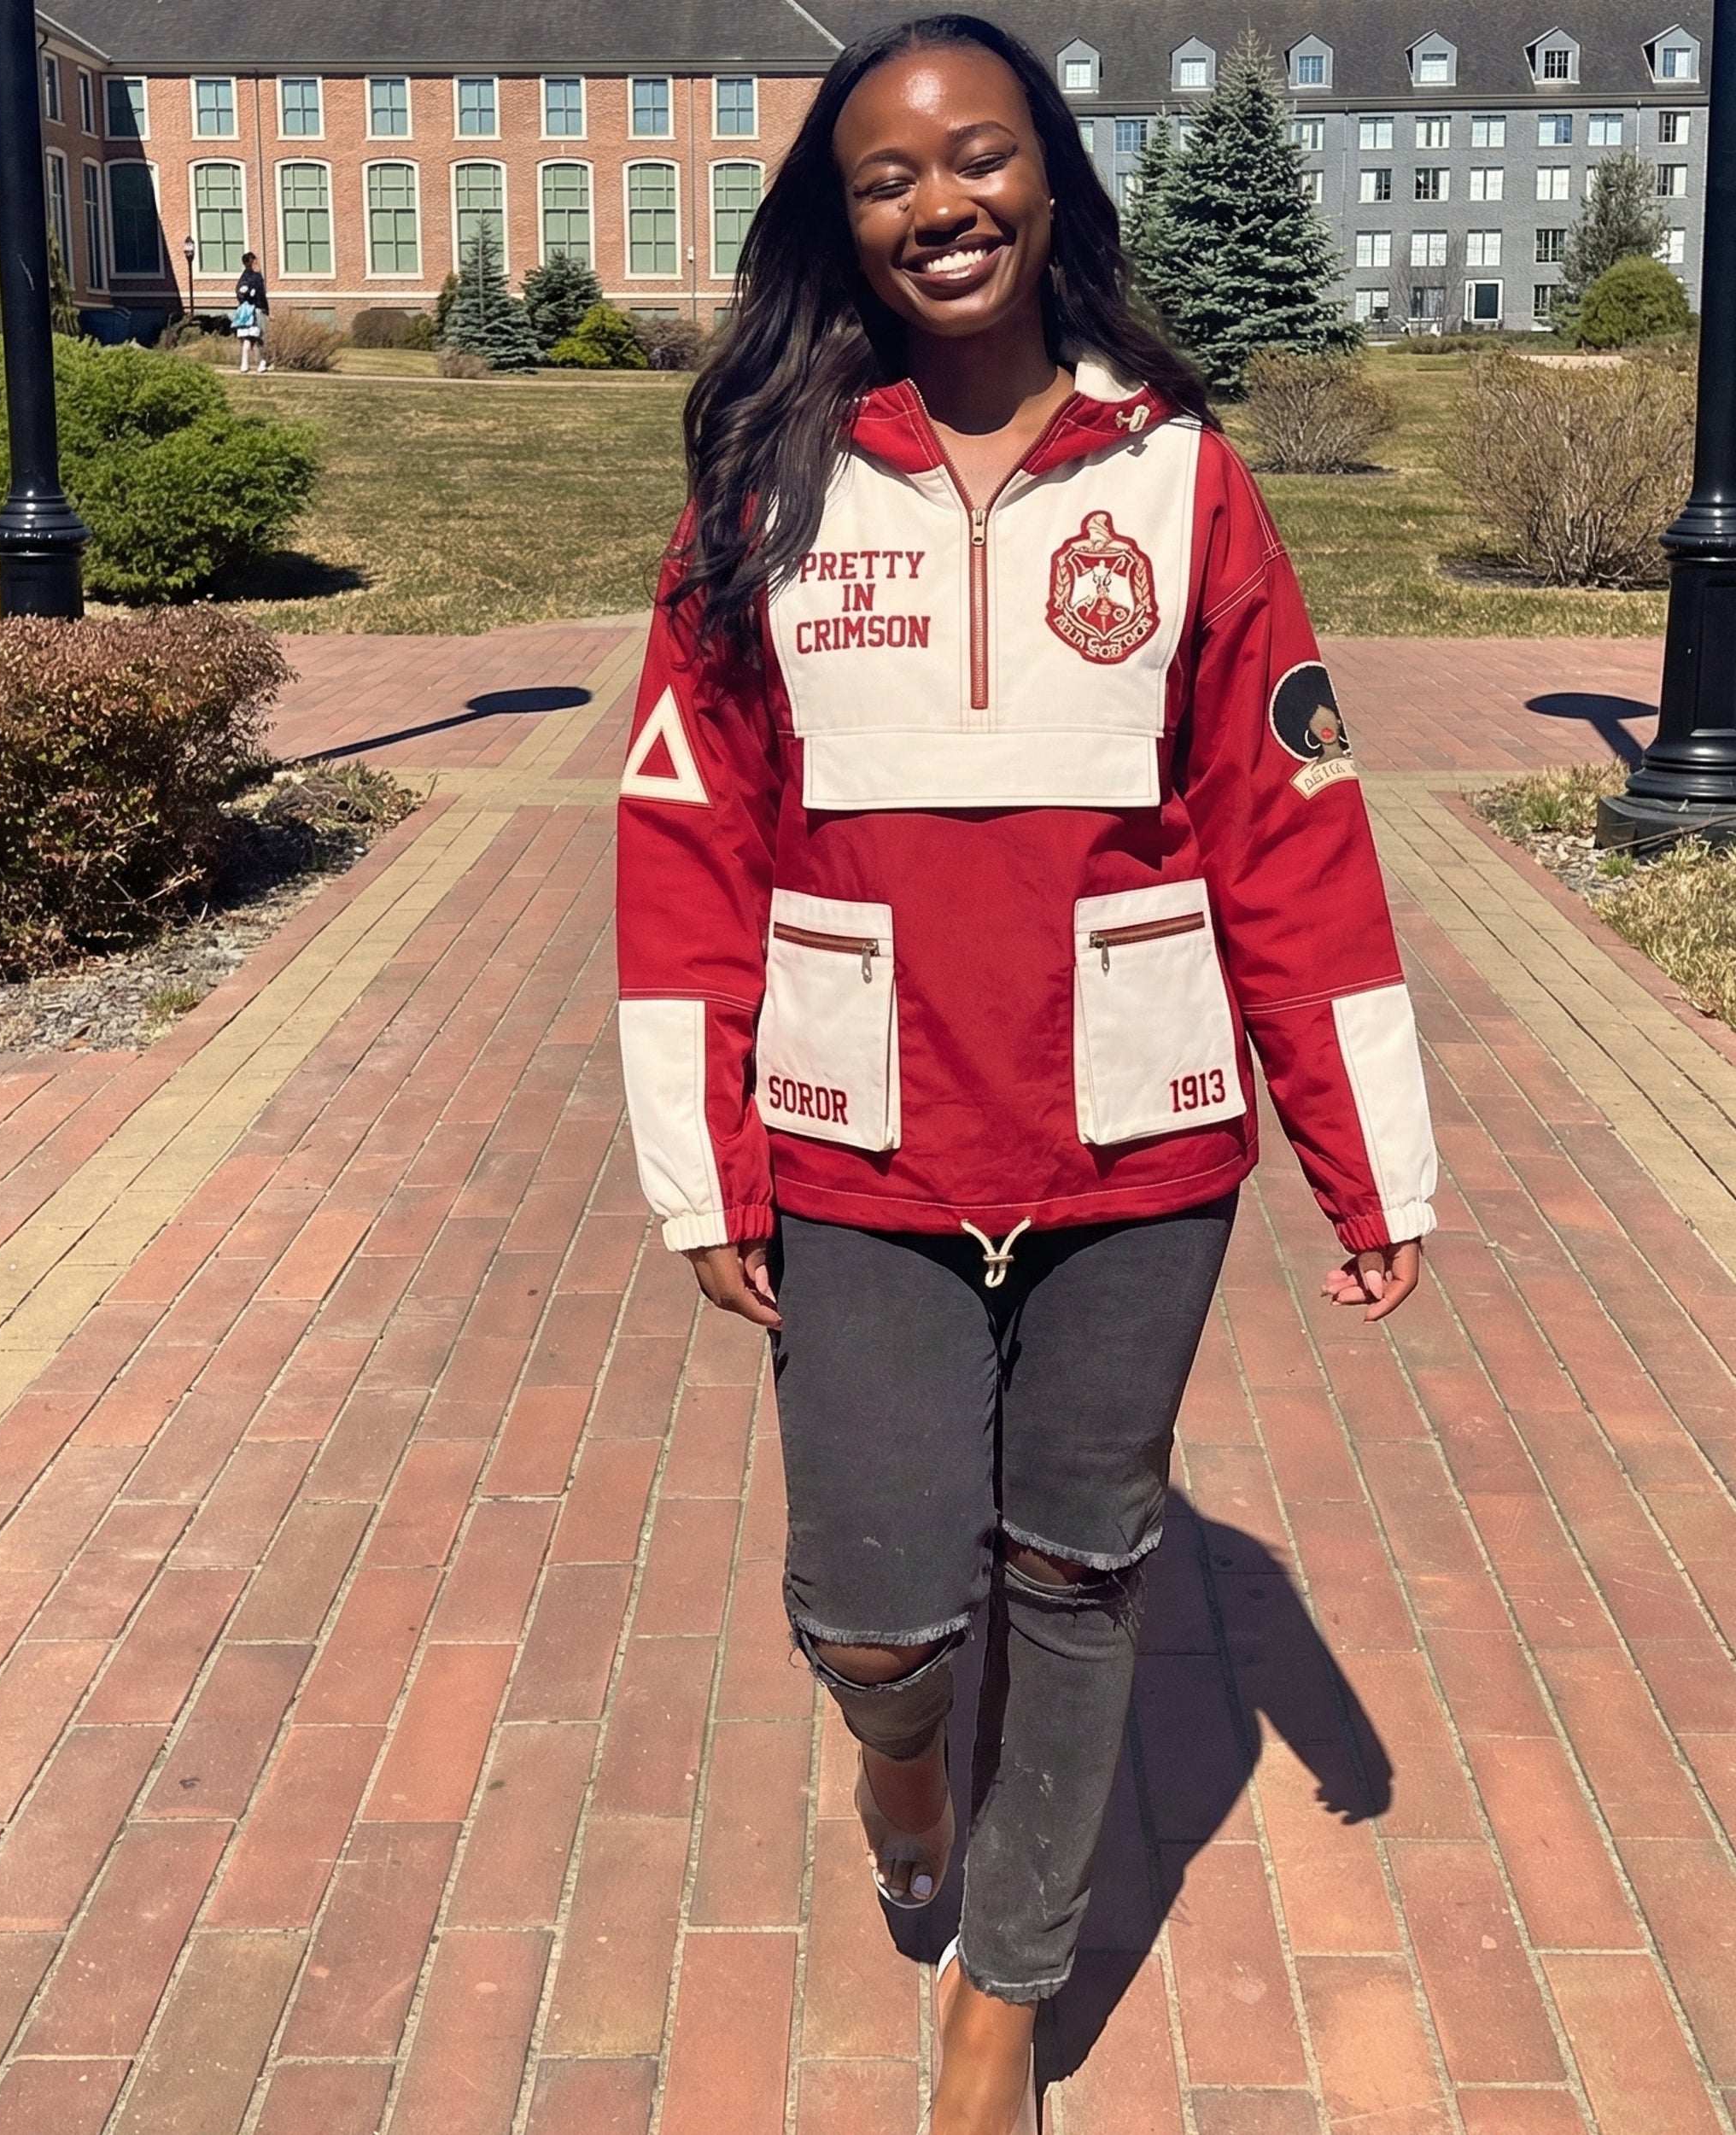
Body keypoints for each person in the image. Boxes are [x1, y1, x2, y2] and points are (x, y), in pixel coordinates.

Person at [614, 17, 1436, 2133]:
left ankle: (1008, 1978)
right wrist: (699, 1168)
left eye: (980, 158)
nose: (939, 203)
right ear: (845, 221)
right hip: (857, 1140)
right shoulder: (767, 481)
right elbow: (687, 834)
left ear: (1053, 183)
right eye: (888, 177)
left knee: (1080, 1568)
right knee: (880, 1609)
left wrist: (1367, 1156)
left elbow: (1287, 820)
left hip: (1136, 1142)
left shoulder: (1179, 471)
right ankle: (898, 1745)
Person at [234, 251, 269, 373]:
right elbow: (261, 296)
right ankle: (261, 363)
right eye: (256, 260)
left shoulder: (242, 278)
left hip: (245, 313)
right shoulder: (257, 277)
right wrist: (266, 310)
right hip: (257, 310)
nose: (258, 263)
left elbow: (239, 294)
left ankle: (244, 364)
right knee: (259, 337)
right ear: (252, 262)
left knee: (247, 338)